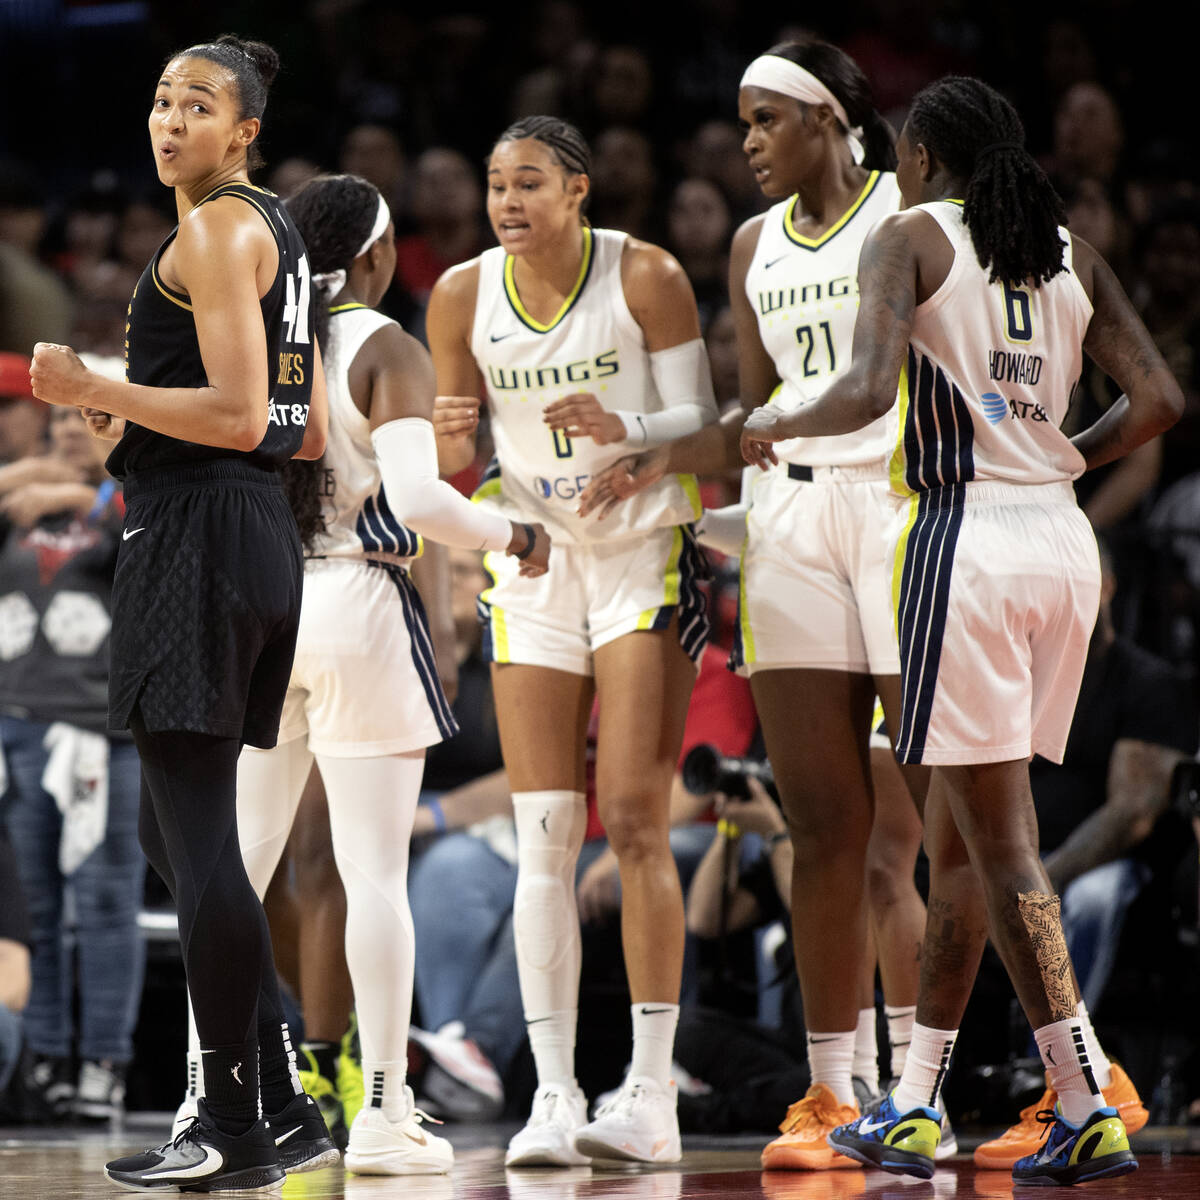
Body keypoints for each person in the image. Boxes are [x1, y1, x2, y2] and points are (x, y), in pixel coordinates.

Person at [736, 74, 1181, 1186]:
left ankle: (1081, 1093)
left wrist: (773, 417)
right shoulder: (1067, 250)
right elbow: (1163, 398)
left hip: (959, 542)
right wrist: (1067, 457)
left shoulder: (907, 236)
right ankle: (918, 1096)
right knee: (967, 839)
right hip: (1060, 545)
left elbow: (865, 385)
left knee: (994, 839)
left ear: (923, 158)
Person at [581, 39, 957, 1172]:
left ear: (835, 118)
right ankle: (834, 1092)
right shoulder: (751, 245)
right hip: (790, 525)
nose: (746, 141)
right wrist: (656, 460)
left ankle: (966, 1074)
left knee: (937, 823)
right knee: (825, 825)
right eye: (739, 121)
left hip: (900, 511)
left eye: (765, 119)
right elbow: (753, 409)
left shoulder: (911, 214)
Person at [29, 34, 335, 1191]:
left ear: (245, 129)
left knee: (195, 838)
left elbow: (247, 406)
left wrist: (94, 389)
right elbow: (288, 428)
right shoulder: (276, 232)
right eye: (160, 100)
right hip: (249, 527)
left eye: (198, 105)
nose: (170, 121)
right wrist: (125, 430)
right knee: (176, 836)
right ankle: (285, 1100)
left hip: (201, 538)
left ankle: (231, 1121)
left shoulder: (212, 229)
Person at [222, 170, 548, 1176]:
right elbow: (417, 501)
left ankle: (220, 1103)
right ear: (373, 256)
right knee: (371, 877)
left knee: (237, 868)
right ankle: (385, 1117)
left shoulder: (251, 346)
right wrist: (513, 532)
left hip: (264, 611)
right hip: (359, 603)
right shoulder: (387, 346)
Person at [426, 113, 718, 1166]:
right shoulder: (460, 294)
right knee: (544, 834)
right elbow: (456, 456)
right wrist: (450, 438)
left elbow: (700, 416)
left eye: (530, 183)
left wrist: (632, 442)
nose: (508, 202)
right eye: (498, 185)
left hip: (644, 546)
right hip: (539, 562)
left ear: (579, 191)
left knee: (634, 820)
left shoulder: (645, 275)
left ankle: (649, 1093)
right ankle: (550, 1096)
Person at [0, 399, 146, 1122]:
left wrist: (80, 492)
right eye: (54, 419)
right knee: (32, 908)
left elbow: (139, 534)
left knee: (106, 902)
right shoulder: (20, 502)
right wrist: (39, 483)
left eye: (82, 416)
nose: (65, 427)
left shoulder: (131, 498)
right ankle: (47, 1055)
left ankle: (104, 1063)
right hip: (18, 725)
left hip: (103, 732)